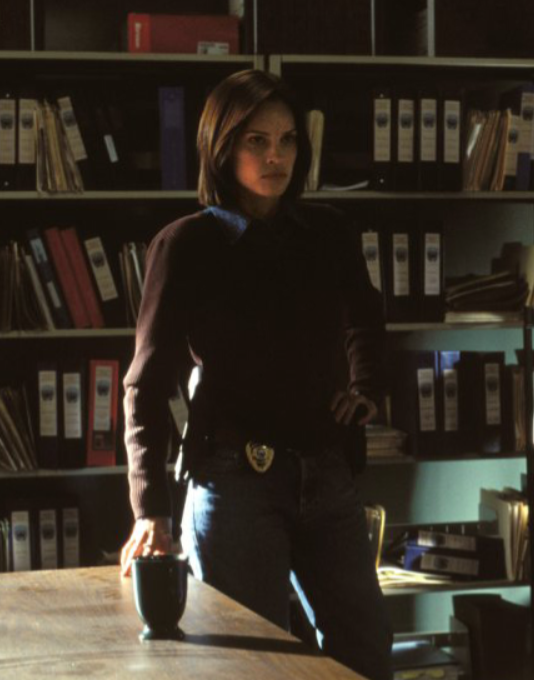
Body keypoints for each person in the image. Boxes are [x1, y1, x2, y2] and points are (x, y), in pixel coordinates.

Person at [118, 69, 392, 680]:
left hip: (326, 475)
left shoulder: (328, 233)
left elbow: (366, 319)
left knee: (367, 652)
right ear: (222, 147)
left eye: (288, 140)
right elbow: (145, 384)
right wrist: (150, 508)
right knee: (255, 667)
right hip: (235, 480)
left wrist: (367, 389)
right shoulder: (186, 244)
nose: (276, 157)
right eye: (257, 141)